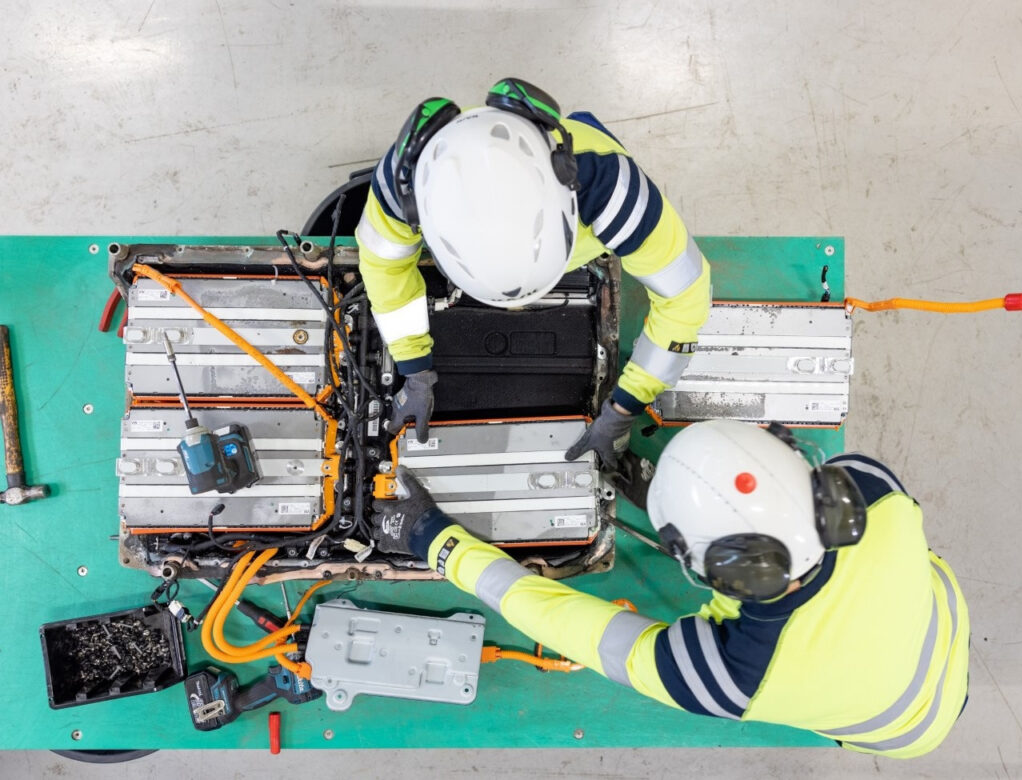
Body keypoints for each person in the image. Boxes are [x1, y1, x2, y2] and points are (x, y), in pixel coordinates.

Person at [369, 419, 969, 759]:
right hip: (942, 623)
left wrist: (433, 539)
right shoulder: (871, 489)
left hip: (904, 728)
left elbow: (554, 618)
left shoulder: (732, 676)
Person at [355, 78, 711, 462]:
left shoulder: (612, 189)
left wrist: (626, 405)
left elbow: (685, 296)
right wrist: (414, 368)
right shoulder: (402, 184)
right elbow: (385, 269)